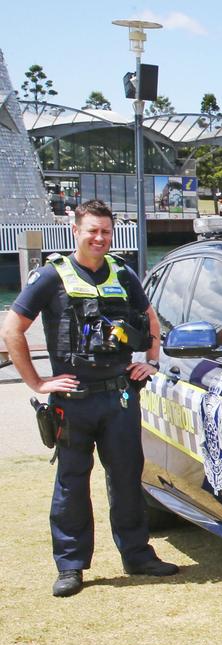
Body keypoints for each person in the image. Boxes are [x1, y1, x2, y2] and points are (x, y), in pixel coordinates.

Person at [1, 200, 178, 598]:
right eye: (92, 230)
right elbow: (13, 329)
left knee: (128, 479)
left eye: (106, 231)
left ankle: (137, 556)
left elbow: (150, 319)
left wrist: (150, 361)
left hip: (118, 397)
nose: (99, 238)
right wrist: (38, 383)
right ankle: (71, 566)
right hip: (73, 400)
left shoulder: (123, 273)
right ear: (76, 230)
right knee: (71, 484)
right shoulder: (51, 276)